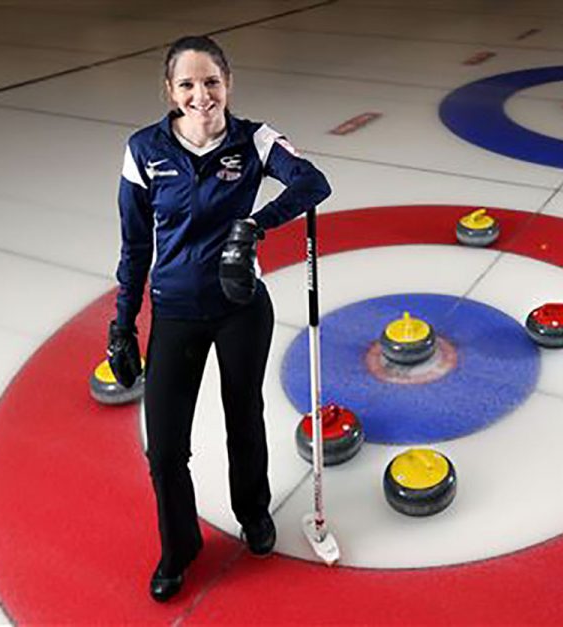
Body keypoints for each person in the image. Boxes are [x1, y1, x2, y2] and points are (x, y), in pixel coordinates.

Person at [105, 35, 331, 602]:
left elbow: (312, 183)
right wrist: (122, 322)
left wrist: (254, 224)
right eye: (188, 84)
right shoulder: (143, 150)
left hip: (240, 309)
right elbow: (134, 250)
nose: (201, 95)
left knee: (243, 417)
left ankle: (254, 513)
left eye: (211, 82)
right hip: (176, 312)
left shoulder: (254, 140)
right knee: (166, 448)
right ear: (170, 91)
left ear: (228, 85)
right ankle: (178, 549)